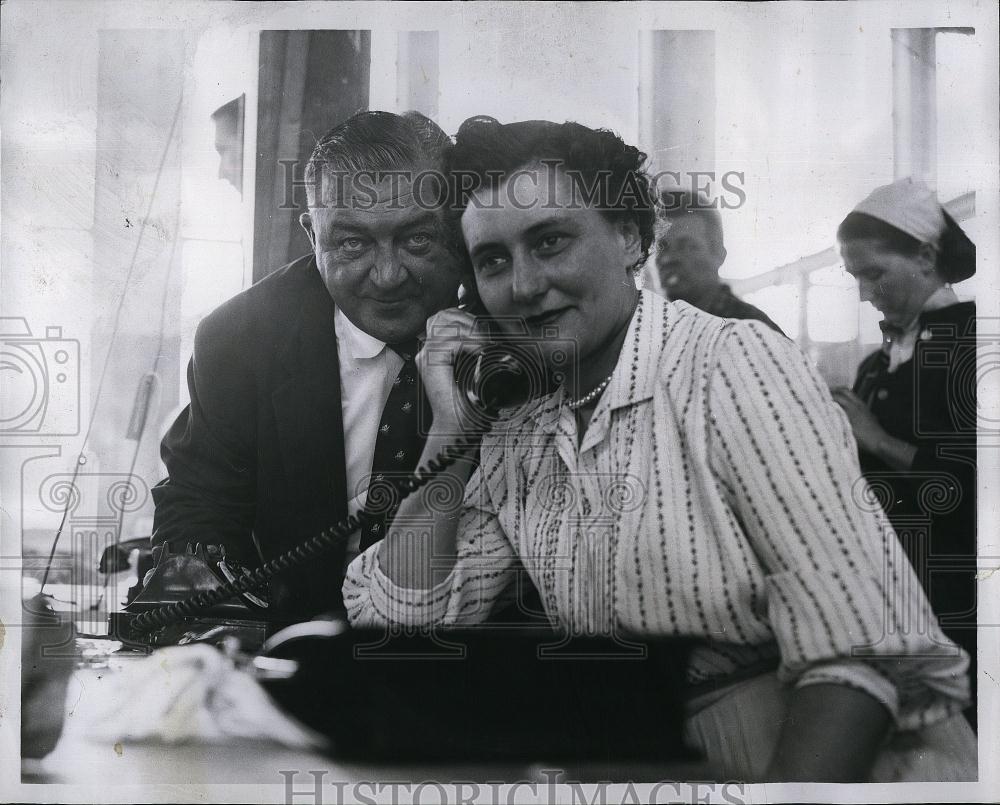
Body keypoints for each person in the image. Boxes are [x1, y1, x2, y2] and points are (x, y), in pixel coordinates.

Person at [343, 118, 975, 782]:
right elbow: (403, 623)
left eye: (550, 241)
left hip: (817, 755)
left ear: (629, 237)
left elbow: (863, 653)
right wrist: (452, 429)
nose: (523, 285)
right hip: (653, 761)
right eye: (493, 260)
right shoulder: (520, 427)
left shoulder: (730, 361)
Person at [149, 111, 465, 621]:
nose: (387, 276)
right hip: (290, 644)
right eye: (352, 243)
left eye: (418, 240)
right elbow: (197, 503)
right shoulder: (239, 340)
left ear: (458, 227)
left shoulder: (514, 321)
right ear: (312, 236)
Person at [832, 177, 977, 725]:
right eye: (855, 278)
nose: (865, 293)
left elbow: (974, 491)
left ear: (925, 256)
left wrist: (876, 440)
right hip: (888, 597)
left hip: (956, 605)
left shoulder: (974, 345)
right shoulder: (875, 365)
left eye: (874, 274)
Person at [655, 191, 784, 334]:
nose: (668, 259)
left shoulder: (750, 330)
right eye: (661, 247)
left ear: (719, 255)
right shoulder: (659, 327)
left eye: (688, 247)